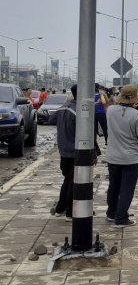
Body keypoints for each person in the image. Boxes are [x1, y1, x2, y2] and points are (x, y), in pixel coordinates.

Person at [48, 85, 96, 221]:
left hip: (63, 151)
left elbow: (50, 120)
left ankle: (60, 208)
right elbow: (87, 135)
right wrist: (93, 154)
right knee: (74, 182)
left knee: (67, 180)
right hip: (76, 153)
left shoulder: (63, 108)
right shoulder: (80, 112)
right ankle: (70, 211)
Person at [105, 84, 138, 227]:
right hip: (131, 159)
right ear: (136, 99)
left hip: (113, 157)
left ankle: (111, 213)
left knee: (114, 186)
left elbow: (111, 105)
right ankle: (121, 218)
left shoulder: (110, 111)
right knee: (126, 189)